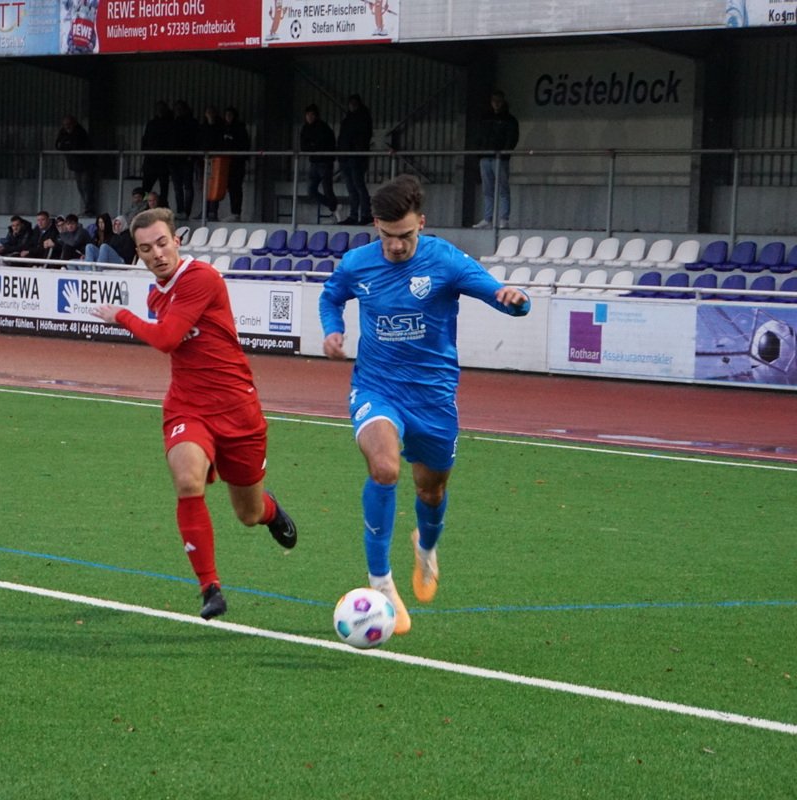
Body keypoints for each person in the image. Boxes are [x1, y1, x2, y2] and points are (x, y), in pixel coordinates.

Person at [319, 175, 530, 635]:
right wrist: (332, 329)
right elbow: (331, 296)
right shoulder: (357, 263)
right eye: (388, 236)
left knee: (431, 492)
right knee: (384, 469)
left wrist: (515, 302)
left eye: (406, 236)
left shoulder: (445, 260)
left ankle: (426, 548)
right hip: (376, 388)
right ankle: (381, 583)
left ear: (422, 223)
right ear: (376, 226)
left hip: (433, 398)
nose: (396, 246)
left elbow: (498, 295)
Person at [91, 207, 298, 619]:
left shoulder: (201, 278)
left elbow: (167, 338)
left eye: (161, 244)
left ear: (177, 241)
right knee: (188, 481)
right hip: (187, 405)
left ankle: (270, 510)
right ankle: (210, 588)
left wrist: (122, 316)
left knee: (248, 513)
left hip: (237, 408)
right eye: (145, 249)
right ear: (138, 253)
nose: (156, 254)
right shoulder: (157, 294)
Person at [473, 90, 519, 229]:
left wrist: (504, 153)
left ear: (503, 102)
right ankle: (488, 218)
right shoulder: (485, 118)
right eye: (494, 101)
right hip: (485, 157)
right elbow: (479, 136)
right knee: (488, 190)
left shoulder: (509, 120)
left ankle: (504, 219)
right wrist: (480, 152)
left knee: (503, 189)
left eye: (499, 101)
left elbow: (512, 138)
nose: (496, 104)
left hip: (500, 158)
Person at [300, 104, 343, 223]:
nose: (309, 117)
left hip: (325, 162)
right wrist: (313, 146)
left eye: (312, 115)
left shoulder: (323, 128)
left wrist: (313, 146)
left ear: (316, 116)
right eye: (307, 115)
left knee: (327, 190)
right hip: (314, 163)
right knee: (311, 191)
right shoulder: (305, 128)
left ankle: (334, 208)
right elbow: (304, 146)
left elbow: (324, 144)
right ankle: (334, 206)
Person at [338, 94, 373, 225]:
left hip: (356, 157)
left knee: (358, 186)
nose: (352, 105)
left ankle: (365, 214)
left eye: (354, 103)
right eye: (350, 103)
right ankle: (354, 215)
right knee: (352, 188)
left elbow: (363, 138)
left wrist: (356, 151)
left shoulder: (362, 118)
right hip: (346, 157)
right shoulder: (348, 119)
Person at [56, 114, 97, 216]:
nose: (67, 126)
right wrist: (66, 145)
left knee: (87, 187)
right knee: (81, 187)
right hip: (75, 165)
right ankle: (87, 208)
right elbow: (58, 145)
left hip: (86, 164)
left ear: (74, 123)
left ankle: (90, 209)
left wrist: (66, 145)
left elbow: (75, 145)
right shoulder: (63, 132)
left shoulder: (80, 132)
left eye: (69, 124)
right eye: (65, 124)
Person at [140, 100, 173, 208]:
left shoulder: (169, 124)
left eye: (162, 109)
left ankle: (163, 207)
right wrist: (145, 152)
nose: (160, 111)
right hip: (150, 161)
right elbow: (145, 140)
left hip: (163, 162)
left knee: (164, 188)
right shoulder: (151, 124)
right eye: (158, 109)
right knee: (146, 187)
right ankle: (144, 206)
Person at [169, 100, 198, 220]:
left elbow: (194, 140)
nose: (178, 111)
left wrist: (191, 155)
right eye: (176, 109)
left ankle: (186, 211)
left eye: (180, 108)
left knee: (187, 186)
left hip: (187, 159)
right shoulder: (173, 123)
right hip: (174, 159)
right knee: (177, 187)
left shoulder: (192, 122)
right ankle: (180, 210)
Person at [220, 107, 249, 221]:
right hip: (226, 162)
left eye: (230, 115)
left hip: (237, 163)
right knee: (230, 187)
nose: (228, 117)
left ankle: (236, 212)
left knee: (236, 187)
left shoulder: (240, 129)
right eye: (226, 115)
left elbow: (244, 145)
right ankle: (233, 212)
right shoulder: (223, 128)